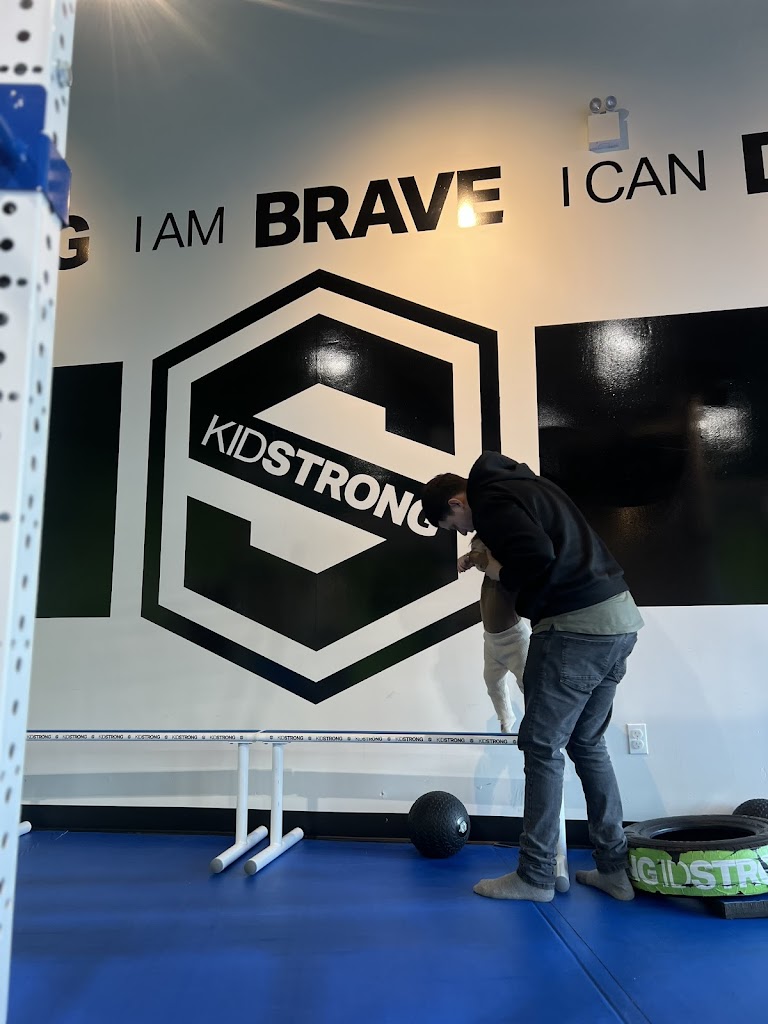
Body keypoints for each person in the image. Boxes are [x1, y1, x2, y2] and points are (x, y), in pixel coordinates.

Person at [422, 451, 643, 903]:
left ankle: (536, 875)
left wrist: (498, 570)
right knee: (587, 743)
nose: (463, 532)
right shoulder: (527, 486)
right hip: (620, 620)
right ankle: (615, 870)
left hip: (574, 628)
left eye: (455, 524)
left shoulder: (492, 502)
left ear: (458, 502)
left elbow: (536, 555)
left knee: (541, 746)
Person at [462, 537, 530, 733]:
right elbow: (481, 560)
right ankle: (506, 717)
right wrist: (471, 556)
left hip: (515, 640)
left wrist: (469, 557)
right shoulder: (489, 576)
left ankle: (540, 722)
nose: (476, 555)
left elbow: (482, 559)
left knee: (528, 684)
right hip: (492, 641)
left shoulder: (503, 573)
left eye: (479, 550)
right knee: (492, 682)